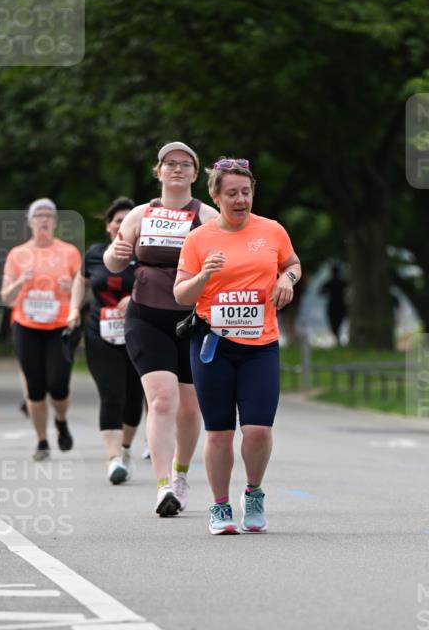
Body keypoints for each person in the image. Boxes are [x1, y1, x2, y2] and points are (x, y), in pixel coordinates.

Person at [174, 158, 301, 535]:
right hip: (213, 344)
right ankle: (219, 506)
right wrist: (203, 275)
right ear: (215, 196)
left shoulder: (272, 231)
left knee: (259, 429)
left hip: (260, 344)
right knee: (219, 432)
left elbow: (293, 263)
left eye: (246, 192)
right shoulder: (199, 238)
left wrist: (287, 279)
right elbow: (182, 294)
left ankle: (254, 493)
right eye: (232, 193)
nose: (241, 199)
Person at [104, 141, 217, 515]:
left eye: (186, 164)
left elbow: (228, 260)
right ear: (159, 171)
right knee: (162, 400)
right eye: (170, 164)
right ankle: (163, 486)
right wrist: (117, 255)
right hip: (146, 316)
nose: (178, 169)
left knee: (189, 408)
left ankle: (181, 474)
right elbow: (114, 261)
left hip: (192, 321)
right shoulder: (140, 214)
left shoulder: (207, 216)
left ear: (195, 174)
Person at [68, 197, 143, 484]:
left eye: (128, 221)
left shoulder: (146, 256)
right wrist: (74, 308)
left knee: (133, 399)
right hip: (100, 333)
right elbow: (80, 280)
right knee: (112, 395)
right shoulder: (96, 254)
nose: (122, 225)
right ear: (109, 226)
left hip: (138, 333)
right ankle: (113, 460)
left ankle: (124, 449)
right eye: (117, 221)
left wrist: (133, 298)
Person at [0, 199, 81, 460]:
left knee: (58, 385)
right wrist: (21, 282)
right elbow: (6, 297)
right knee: (35, 387)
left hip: (60, 325)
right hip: (27, 325)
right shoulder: (17, 254)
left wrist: (71, 288)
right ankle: (42, 441)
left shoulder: (69, 252)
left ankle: (61, 419)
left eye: (49, 215)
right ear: (31, 222)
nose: (44, 219)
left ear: (55, 222)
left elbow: (82, 290)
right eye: (39, 215)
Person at [320, 263, 347, 345]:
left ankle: (337, 338)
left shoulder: (329, 282)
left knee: (333, 323)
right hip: (341, 305)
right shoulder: (343, 282)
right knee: (339, 323)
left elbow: (321, 292)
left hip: (332, 305)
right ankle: (338, 338)